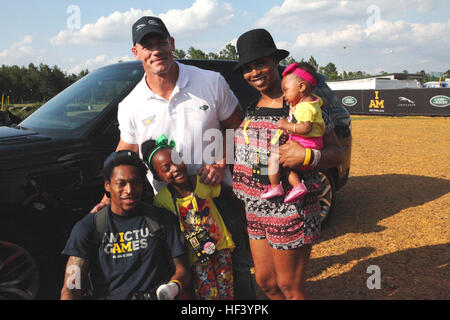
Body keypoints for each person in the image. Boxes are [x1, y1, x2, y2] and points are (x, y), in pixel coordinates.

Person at [90, 16, 254, 299]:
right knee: (182, 273)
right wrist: (107, 195)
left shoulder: (210, 81)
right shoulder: (131, 104)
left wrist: (221, 162)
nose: (156, 51)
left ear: (172, 44)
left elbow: (237, 126)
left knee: (235, 267)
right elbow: (126, 150)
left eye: (161, 42)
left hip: (218, 196)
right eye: (147, 46)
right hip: (167, 206)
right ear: (136, 52)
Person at [232, 28, 344, 300]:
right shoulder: (251, 105)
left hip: (291, 207)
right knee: (266, 281)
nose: (255, 72)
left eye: (260, 63)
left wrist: (307, 157)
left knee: (289, 287)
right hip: (256, 207)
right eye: (248, 67)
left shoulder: (301, 105)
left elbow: (335, 152)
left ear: (275, 62)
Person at [60, 150, 189, 300]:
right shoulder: (88, 228)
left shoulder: (162, 220)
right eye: (121, 184)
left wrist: (172, 288)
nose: (129, 190)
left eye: (135, 183)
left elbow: (182, 270)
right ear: (107, 185)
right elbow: (71, 287)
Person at [142, 135, 235, 300]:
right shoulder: (161, 200)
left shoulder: (202, 182)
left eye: (177, 160)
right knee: (208, 295)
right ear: (157, 177)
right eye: (166, 168)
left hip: (220, 247)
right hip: (195, 257)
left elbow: (227, 192)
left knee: (226, 292)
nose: (175, 168)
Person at [260, 61, 325, 203]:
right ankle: (296, 186)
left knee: (275, 156)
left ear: (301, 87)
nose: (284, 95)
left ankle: (275, 186)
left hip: (306, 145)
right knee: (285, 164)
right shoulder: (312, 102)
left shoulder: (304, 107)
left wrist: (285, 125)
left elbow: (305, 128)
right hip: (309, 145)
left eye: (286, 90)